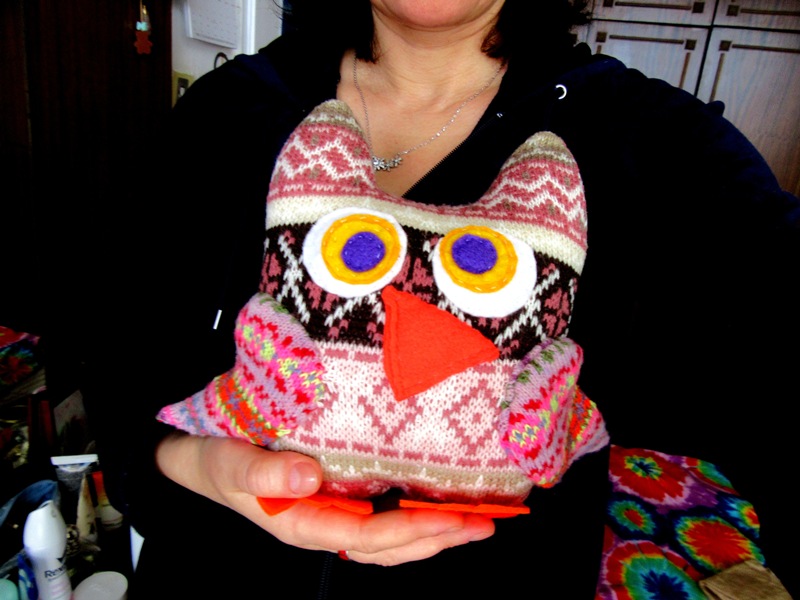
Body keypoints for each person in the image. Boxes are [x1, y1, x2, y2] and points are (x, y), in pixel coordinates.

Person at [82, 0, 800, 597]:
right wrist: (188, 462)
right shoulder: (226, 109)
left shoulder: (646, 138)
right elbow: (118, 358)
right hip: (211, 578)